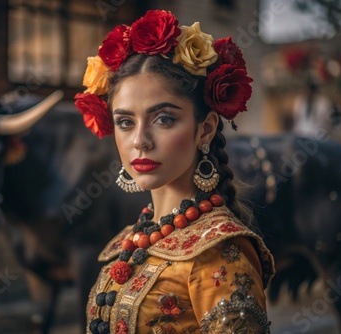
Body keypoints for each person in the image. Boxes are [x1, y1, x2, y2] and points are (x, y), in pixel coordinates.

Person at [74, 10, 275, 334]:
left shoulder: (219, 253)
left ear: (205, 129)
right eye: (125, 122)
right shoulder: (133, 237)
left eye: (164, 119)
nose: (139, 141)